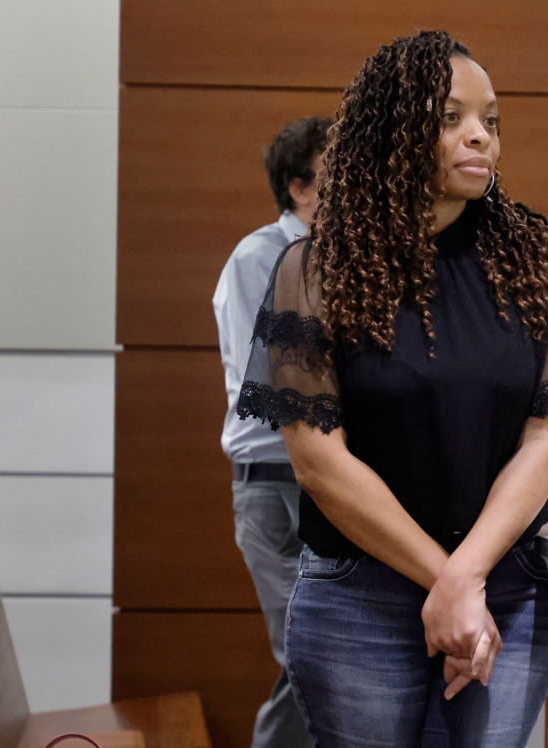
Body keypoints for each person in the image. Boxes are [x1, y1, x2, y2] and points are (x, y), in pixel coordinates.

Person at [237, 30, 548, 747]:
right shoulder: (313, 270)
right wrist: (449, 581)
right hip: (357, 598)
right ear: (394, 133)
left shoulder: (539, 266)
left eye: (491, 122)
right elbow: (318, 462)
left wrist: (466, 579)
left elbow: (545, 440)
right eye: (451, 118)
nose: (481, 138)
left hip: (502, 584)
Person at [212, 115, 332, 748]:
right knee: (310, 656)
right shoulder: (260, 257)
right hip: (276, 482)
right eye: (333, 174)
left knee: (327, 656)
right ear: (298, 188)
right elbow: (269, 384)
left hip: (333, 481)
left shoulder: (346, 260)